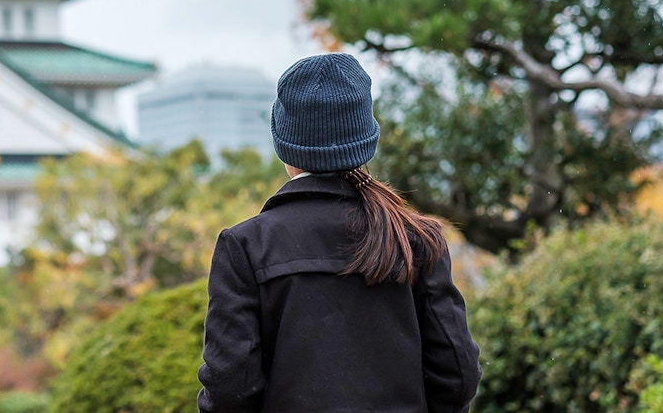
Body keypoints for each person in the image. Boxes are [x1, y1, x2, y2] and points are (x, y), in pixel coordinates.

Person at [197, 53, 481, 413]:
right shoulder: (416, 238)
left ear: (285, 142)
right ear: (366, 137)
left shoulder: (247, 246)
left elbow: (230, 390)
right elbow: (457, 376)